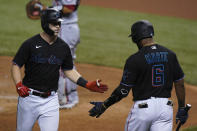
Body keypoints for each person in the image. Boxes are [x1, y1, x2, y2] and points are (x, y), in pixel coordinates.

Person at [11, 8, 108, 131]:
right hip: (29, 99)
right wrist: (19, 85)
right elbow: (16, 65)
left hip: (50, 100)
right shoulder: (30, 44)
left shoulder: (63, 47)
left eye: (59, 23)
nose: (58, 26)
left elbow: (68, 70)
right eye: (54, 24)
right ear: (45, 24)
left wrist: (87, 84)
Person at [88, 20, 188, 131]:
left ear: (135, 38)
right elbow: (180, 83)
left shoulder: (134, 59)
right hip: (165, 109)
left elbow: (123, 91)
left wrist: (104, 105)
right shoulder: (170, 55)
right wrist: (182, 108)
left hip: (143, 111)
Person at [51, 0, 81, 109]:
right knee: (68, 63)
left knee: (62, 65)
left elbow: (69, 8)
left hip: (66, 28)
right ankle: (72, 96)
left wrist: (48, 11)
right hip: (68, 28)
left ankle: (66, 99)